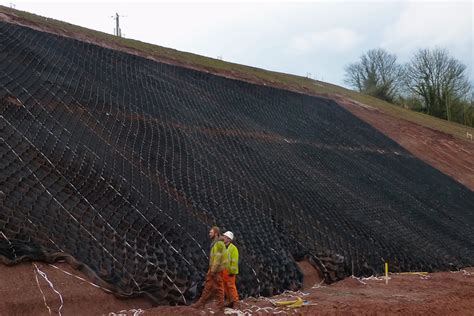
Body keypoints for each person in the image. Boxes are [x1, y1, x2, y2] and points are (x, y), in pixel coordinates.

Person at [193, 226, 227, 309]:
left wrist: (213, 270)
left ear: (215, 233)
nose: (209, 234)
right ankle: (202, 303)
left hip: (216, 269)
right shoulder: (216, 243)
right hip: (214, 268)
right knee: (209, 286)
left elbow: (217, 259)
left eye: (211, 232)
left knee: (218, 287)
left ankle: (219, 305)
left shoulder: (218, 244)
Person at [222, 231, 239, 308]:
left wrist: (232, 271)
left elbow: (234, 261)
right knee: (225, 286)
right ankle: (229, 300)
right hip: (223, 270)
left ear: (229, 239)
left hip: (230, 271)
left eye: (225, 237)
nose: (223, 238)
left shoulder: (233, 248)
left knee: (231, 286)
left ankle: (235, 302)